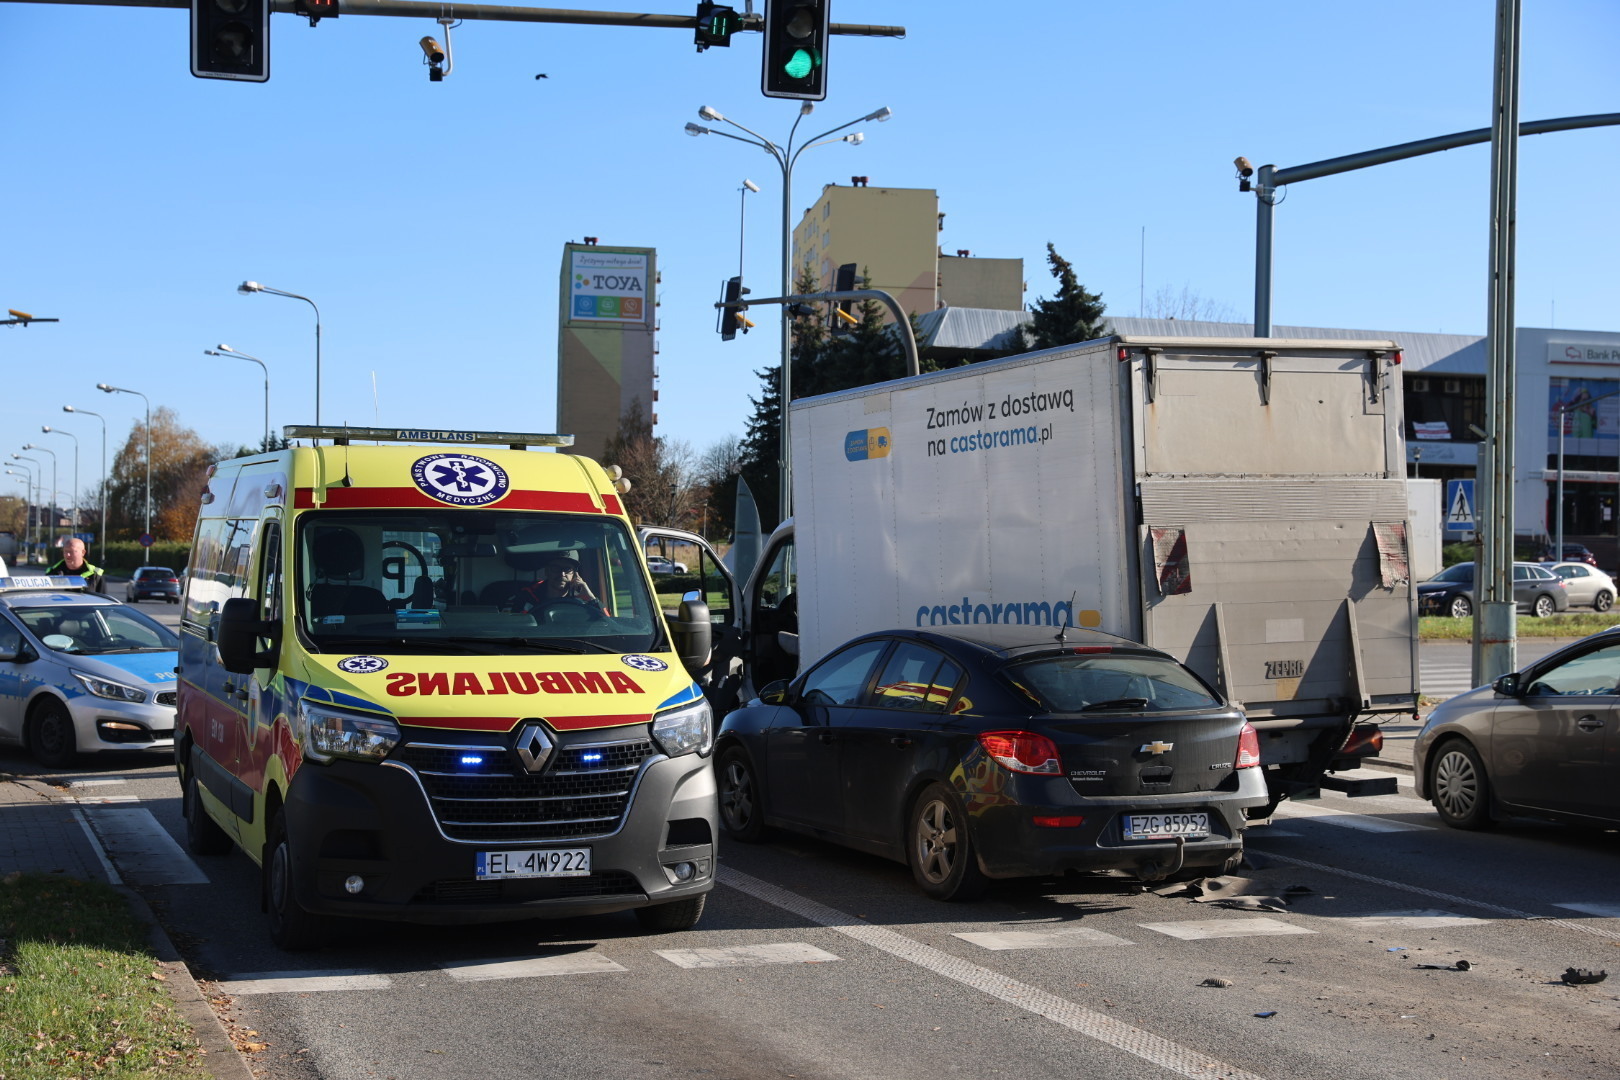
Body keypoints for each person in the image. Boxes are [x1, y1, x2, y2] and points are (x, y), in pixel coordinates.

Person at [512, 556, 605, 618]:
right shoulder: (527, 596)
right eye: (556, 568)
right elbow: (516, 627)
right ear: (546, 571)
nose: (562, 574)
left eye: (568, 569)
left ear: (575, 574)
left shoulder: (583, 600)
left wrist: (592, 598)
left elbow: (609, 624)